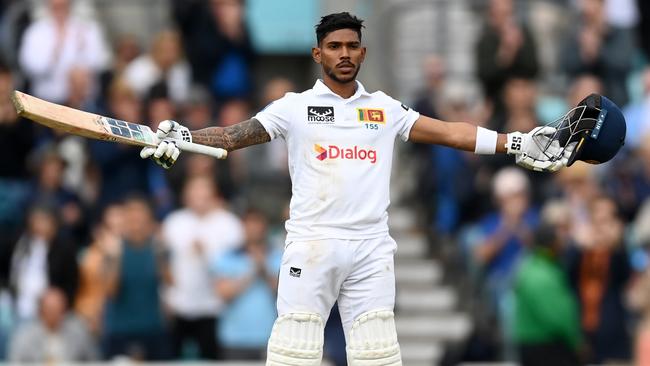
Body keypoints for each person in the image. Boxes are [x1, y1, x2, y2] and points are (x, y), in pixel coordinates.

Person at [141, 12, 579, 365]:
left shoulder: (384, 108)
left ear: (363, 52)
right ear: (318, 53)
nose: (344, 54)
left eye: (351, 46)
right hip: (312, 243)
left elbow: (450, 133)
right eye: (334, 47)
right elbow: (235, 136)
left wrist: (513, 141)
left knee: (379, 356)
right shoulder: (295, 108)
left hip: (371, 247)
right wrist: (186, 137)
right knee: (294, 352)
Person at [162, 174, 243, 360]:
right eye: (194, 191)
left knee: (211, 358)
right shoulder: (174, 222)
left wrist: (207, 255)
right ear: (185, 195)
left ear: (214, 194)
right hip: (179, 304)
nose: (199, 196)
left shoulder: (229, 224)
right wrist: (166, 292)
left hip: (213, 307)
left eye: (204, 191)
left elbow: (236, 267)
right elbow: (164, 262)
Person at [212, 208, 282, 360]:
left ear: (265, 227)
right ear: (242, 227)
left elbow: (286, 292)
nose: (254, 229)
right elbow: (223, 292)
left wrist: (263, 270)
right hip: (234, 339)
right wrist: (251, 272)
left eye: (257, 224)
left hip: (271, 338)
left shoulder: (279, 255)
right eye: (249, 224)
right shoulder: (228, 256)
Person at [513, 224, 581, 366]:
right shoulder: (542, 275)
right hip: (547, 346)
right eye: (560, 240)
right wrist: (576, 342)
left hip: (535, 344)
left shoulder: (534, 267)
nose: (563, 244)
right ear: (552, 244)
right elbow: (558, 317)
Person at [8, 287, 98, 362]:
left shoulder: (78, 332)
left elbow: (94, 360)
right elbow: (15, 360)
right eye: (50, 310)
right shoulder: (25, 335)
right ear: (41, 311)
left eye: (58, 309)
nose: (54, 314)